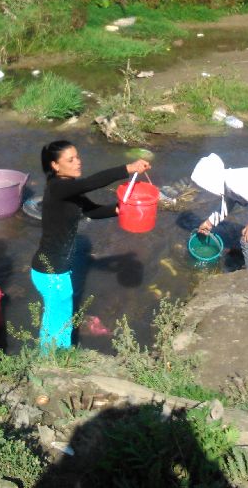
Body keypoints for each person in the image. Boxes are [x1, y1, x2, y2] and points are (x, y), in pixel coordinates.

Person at [32, 140, 151, 352]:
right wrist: (129, 168)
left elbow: (91, 211)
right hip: (51, 272)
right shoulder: (58, 187)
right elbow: (90, 183)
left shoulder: (69, 190)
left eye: (77, 156)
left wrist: (119, 209)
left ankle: (55, 362)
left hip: (56, 270)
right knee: (56, 326)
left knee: (58, 321)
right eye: (71, 160)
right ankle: (50, 366)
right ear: (55, 166)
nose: (78, 162)